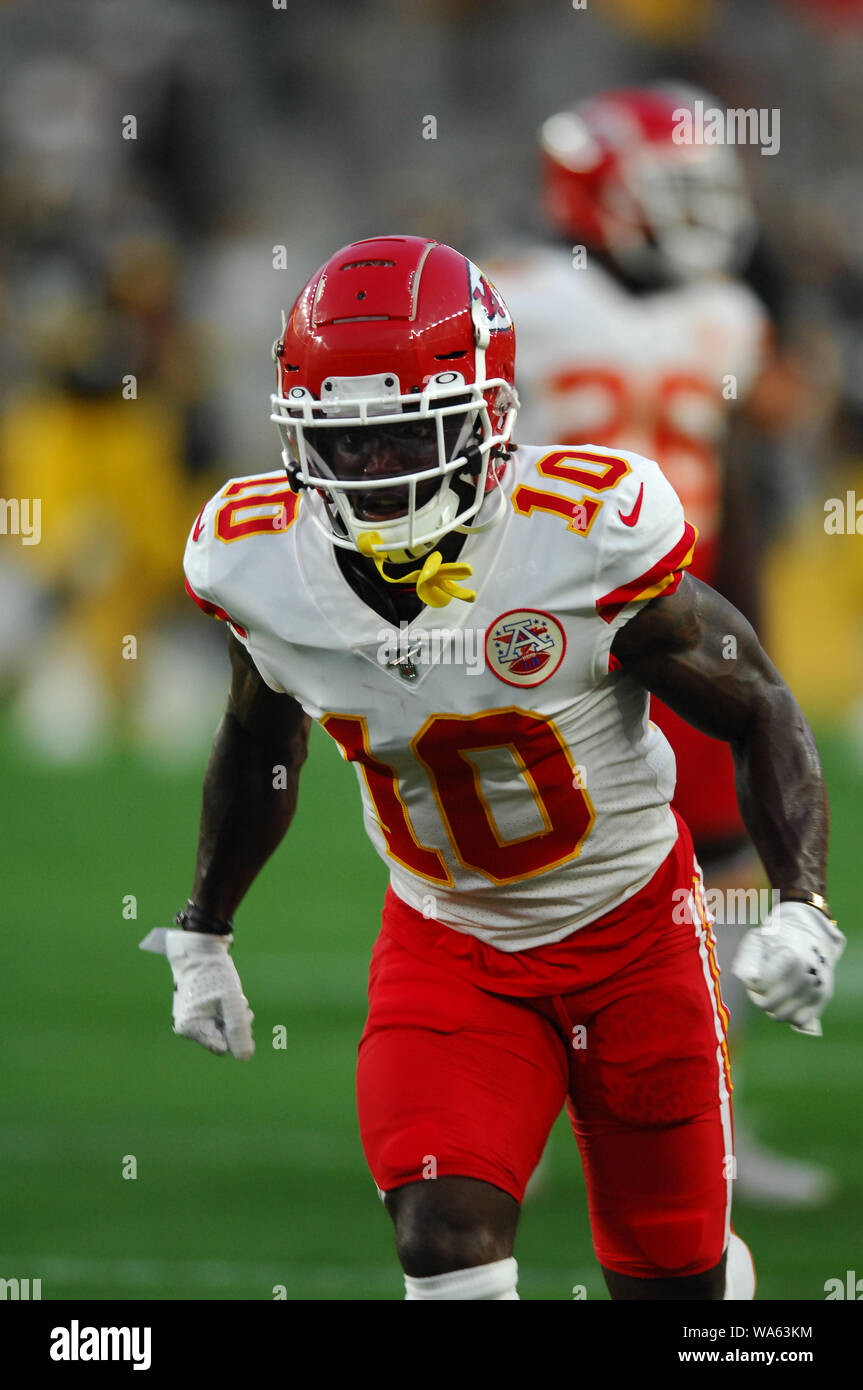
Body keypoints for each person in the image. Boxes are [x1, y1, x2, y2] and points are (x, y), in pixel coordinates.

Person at [141, 235, 843, 1301]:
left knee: (672, 1276)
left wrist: (799, 900)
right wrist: (204, 925)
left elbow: (758, 703)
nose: (374, 470)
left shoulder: (580, 532)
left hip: (633, 931)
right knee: (443, 1234)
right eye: (345, 440)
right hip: (448, 941)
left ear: (484, 416)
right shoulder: (256, 557)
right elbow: (257, 732)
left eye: (401, 433)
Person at [490, 84, 833, 1205]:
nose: (697, 213)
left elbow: (729, 487)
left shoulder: (724, 313)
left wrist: (753, 640)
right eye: (668, 188)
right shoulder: (511, 297)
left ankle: (711, 1134)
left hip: (670, 615)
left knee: (724, 881)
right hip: (542, 632)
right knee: (531, 891)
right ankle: (506, 1129)